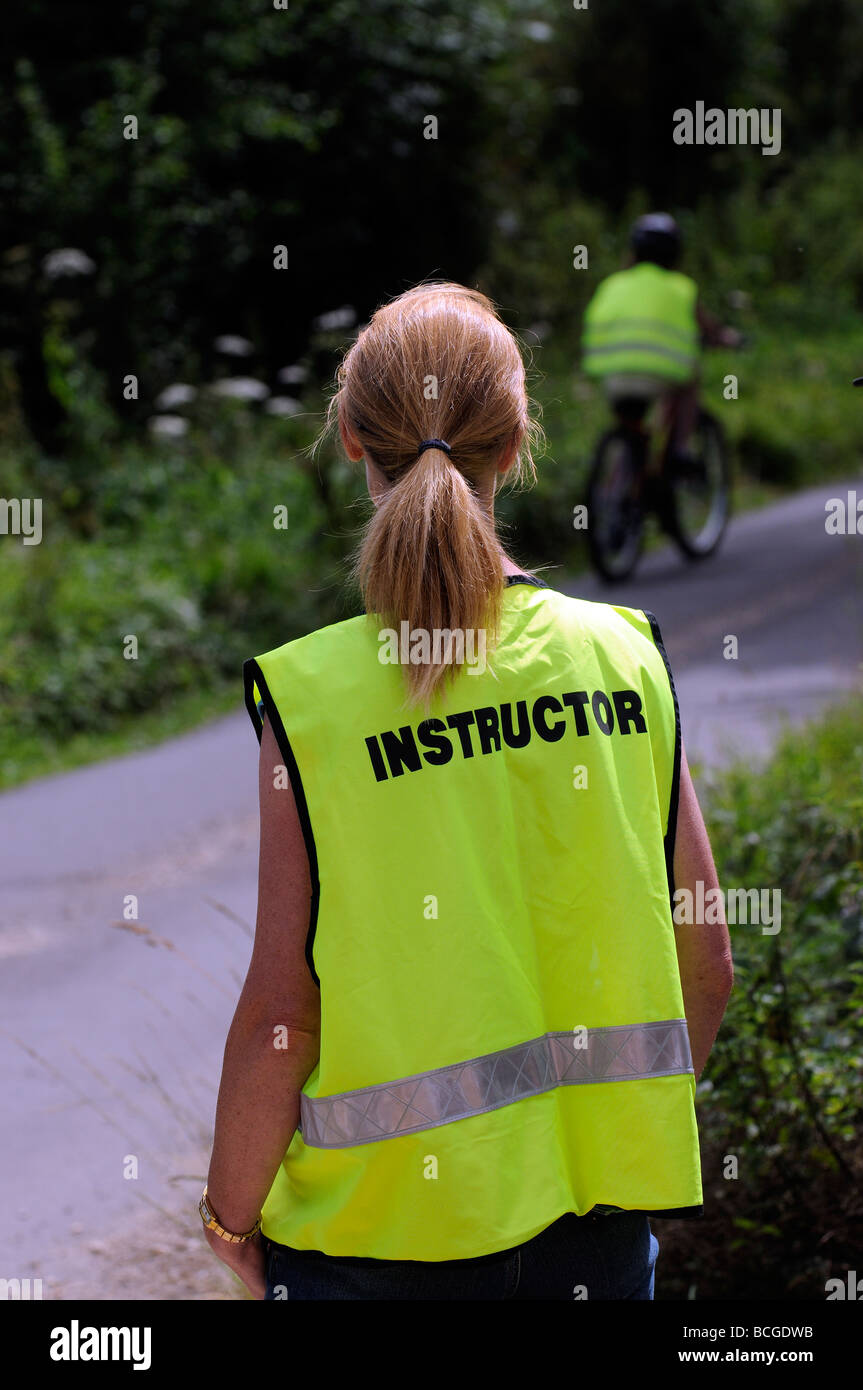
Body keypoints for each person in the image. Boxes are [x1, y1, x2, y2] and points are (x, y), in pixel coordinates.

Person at [201, 281, 733, 1301]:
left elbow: (284, 1014)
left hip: (370, 1252)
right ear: (514, 440)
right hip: (591, 1239)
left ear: (352, 439)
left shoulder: (309, 698)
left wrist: (230, 1213)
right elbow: (701, 964)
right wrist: (592, 1145)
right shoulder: (620, 659)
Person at [582, 212, 741, 464]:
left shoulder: (613, 284)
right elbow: (709, 329)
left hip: (611, 373)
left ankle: (618, 484)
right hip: (660, 374)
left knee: (632, 429)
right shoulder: (681, 287)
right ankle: (679, 448)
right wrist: (727, 339)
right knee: (688, 381)